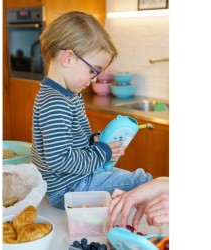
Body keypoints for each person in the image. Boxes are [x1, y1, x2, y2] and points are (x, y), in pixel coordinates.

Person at [31, 11, 152, 209]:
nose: (95, 79)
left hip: (77, 179)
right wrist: (99, 154)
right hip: (69, 189)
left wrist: (92, 142)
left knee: (133, 180)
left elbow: (67, 143)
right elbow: (59, 159)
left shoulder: (68, 95)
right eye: (92, 70)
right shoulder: (55, 103)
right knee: (143, 182)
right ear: (68, 58)